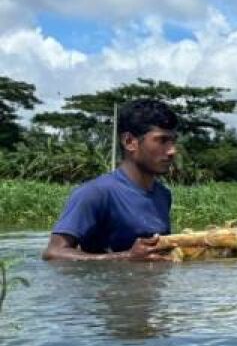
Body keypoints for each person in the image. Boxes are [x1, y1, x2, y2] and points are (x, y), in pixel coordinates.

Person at [43, 99, 178, 261]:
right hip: (107, 285)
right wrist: (126, 256)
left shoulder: (163, 195)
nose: (172, 151)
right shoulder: (96, 193)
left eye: (173, 141)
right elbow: (53, 253)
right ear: (129, 142)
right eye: (162, 140)